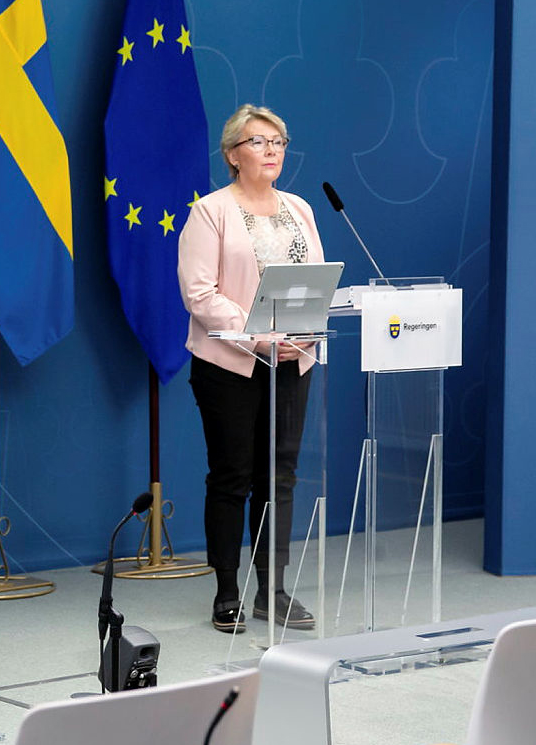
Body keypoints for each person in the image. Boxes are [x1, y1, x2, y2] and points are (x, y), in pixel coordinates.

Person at [177, 104, 324, 634]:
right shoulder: (210, 212)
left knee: (279, 476)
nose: (271, 150)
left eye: (278, 142)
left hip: (291, 362)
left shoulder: (300, 208)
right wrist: (259, 336)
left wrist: (304, 331)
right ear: (232, 155)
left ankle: (273, 591)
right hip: (231, 364)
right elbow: (200, 293)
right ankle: (226, 592)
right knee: (233, 475)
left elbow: (315, 283)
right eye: (258, 142)